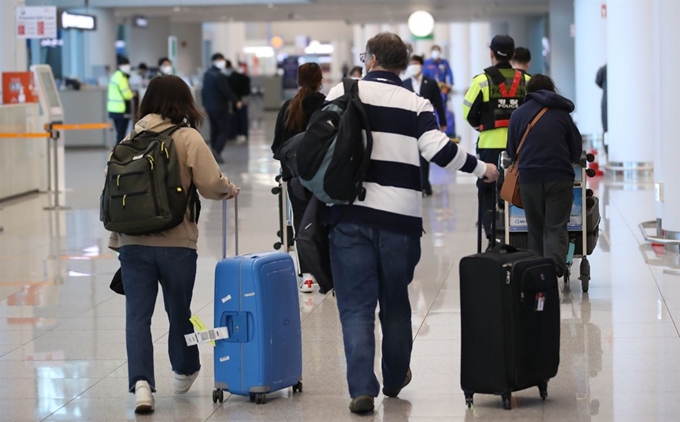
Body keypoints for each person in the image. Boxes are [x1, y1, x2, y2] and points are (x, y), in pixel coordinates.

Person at [325, 32, 499, 414]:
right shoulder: (415, 103)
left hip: (348, 216)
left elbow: (319, 145)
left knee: (355, 307)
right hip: (399, 221)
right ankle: (393, 377)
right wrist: (483, 168)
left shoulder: (342, 91)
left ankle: (362, 389)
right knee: (395, 302)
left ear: (370, 59)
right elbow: (438, 149)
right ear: (404, 65)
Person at [109, 75, 239, 414]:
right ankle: (184, 368)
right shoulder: (187, 137)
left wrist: (118, 240)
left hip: (132, 243)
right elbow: (211, 184)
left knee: (137, 316)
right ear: (184, 103)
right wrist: (229, 189)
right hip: (177, 242)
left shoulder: (128, 138)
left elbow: (115, 194)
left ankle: (141, 385)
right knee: (178, 309)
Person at [506, 74, 582, 277]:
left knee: (536, 227)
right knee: (556, 226)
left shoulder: (518, 114)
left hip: (529, 178)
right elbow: (575, 151)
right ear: (552, 89)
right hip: (559, 178)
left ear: (528, 92)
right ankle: (554, 270)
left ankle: (537, 273)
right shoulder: (563, 114)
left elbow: (512, 151)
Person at [463, 35, 531, 249]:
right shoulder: (527, 81)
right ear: (512, 55)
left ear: (491, 53)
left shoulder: (481, 81)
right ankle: (522, 235)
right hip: (520, 146)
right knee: (521, 188)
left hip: (490, 147)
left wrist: (482, 126)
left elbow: (468, 112)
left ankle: (493, 238)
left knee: (487, 190)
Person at [272, 63, 326, 293]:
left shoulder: (289, 107)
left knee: (302, 224)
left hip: (296, 180)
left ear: (298, 80)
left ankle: (307, 276)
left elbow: (277, 146)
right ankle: (329, 272)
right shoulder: (328, 106)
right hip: (325, 177)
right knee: (326, 222)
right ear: (320, 80)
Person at [403, 54, 447, 196]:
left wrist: (443, 122)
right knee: (410, 153)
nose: (413, 66)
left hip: (425, 122)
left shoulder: (431, 83)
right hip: (408, 122)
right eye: (411, 63)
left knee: (425, 153)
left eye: (416, 63)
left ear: (421, 65)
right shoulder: (404, 83)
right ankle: (414, 184)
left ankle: (425, 184)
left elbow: (439, 104)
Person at [202, 53, 242, 163]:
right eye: (221, 60)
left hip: (210, 106)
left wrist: (205, 104)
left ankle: (212, 154)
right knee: (224, 130)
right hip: (220, 106)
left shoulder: (207, 74)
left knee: (214, 130)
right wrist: (236, 101)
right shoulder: (219, 76)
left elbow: (204, 91)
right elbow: (226, 90)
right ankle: (216, 151)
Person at [107, 56, 134, 145]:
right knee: (121, 135)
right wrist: (133, 94)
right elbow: (127, 95)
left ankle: (117, 152)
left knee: (119, 134)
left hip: (113, 109)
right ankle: (119, 153)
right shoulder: (122, 77)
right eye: (125, 64)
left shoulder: (115, 75)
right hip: (121, 110)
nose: (127, 66)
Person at [225, 60, 252, 143]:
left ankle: (240, 133)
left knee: (240, 116)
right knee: (242, 116)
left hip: (237, 99)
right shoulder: (239, 76)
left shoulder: (232, 76)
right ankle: (242, 133)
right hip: (240, 99)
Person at [595, 64, 608, 154]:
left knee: (606, 130)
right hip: (607, 104)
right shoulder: (606, 69)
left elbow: (597, 80)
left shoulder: (605, 69)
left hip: (606, 104)